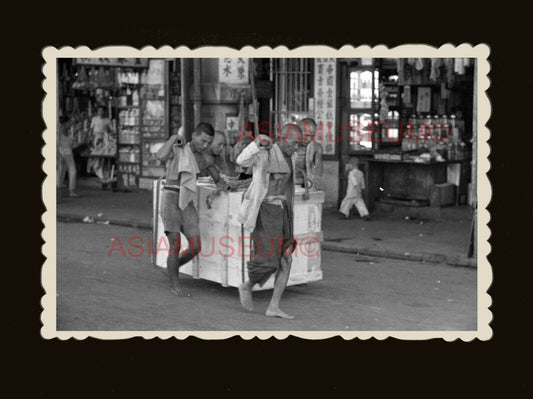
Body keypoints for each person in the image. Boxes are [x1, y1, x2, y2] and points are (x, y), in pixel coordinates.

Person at [236, 123, 301, 319]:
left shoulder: (293, 157)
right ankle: (247, 285)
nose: (296, 147)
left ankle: (273, 306)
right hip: (264, 208)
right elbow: (241, 160)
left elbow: (288, 183)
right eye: (293, 143)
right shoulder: (265, 152)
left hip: (283, 210)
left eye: (299, 143)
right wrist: (256, 144)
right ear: (281, 137)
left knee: (286, 259)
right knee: (269, 260)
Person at [156, 122, 221, 297]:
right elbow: (159, 155)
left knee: (196, 246)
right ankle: (175, 285)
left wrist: (221, 188)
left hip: (188, 201)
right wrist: (172, 139)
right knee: (175, 245)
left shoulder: (205, 158)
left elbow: (219, 179)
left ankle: (172, 268)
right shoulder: (178, 148)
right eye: (203, 141)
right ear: (194, 136)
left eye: (209, 142)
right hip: (170, 196)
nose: (205, 145)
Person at [298, 118, 323, 190]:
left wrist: (317, 180)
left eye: (311, 136)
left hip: (308, 184)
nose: (307, 139)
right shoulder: (290, 145)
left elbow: (318, 166)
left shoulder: (316, 147)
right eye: (306, 135)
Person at [57, 116, 80, 198]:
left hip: (68, 153)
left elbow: (71, 143)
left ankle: (70, 190)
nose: (70, 124)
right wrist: (60, 153)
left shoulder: (68, 131)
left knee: (67, 171)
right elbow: (57, 144)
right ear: (65, 123)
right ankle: (61, 190)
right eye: (69, 122)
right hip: (62, 153)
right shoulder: (59, 131)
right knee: (62, 172)